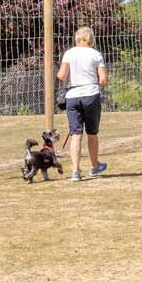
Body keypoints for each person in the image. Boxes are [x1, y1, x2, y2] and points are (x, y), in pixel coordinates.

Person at [57, 26, 109, 182]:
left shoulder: (69, 53)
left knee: (76, 133)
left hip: (73, 96)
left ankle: (75, 171)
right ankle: (94, 166)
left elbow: (62, 75)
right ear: (90, 39)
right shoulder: (96, 54)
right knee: (92, 133)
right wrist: (99, 80)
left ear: (77, 39)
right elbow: (103, 79)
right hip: (91, 95)